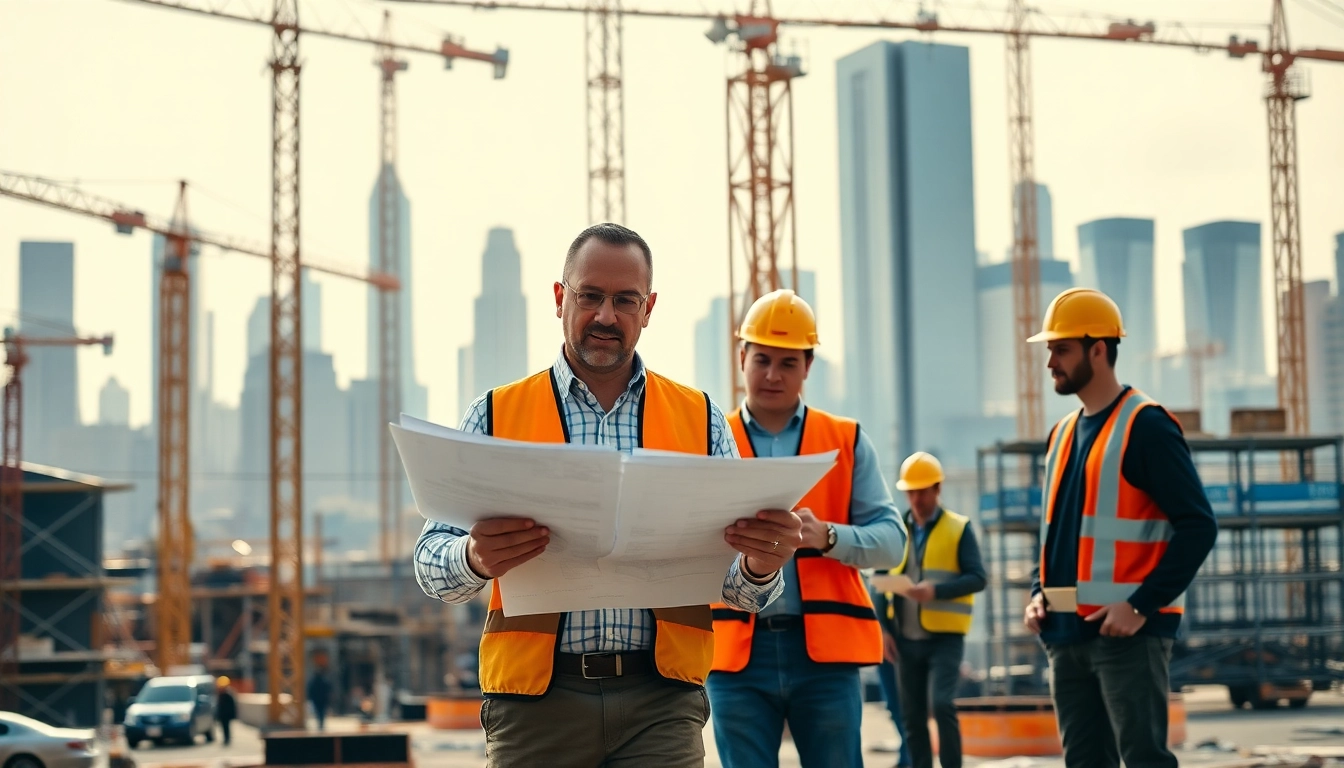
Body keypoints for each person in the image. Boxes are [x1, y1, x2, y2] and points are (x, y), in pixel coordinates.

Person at [413, 223, 803, 767]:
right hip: (535, 708)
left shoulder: (701, 421)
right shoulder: (496, 415)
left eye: (625, 300)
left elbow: (742, 593)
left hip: (661, 705)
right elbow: (431, 568)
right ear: (559, 298)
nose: (605, 316)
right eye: (589, 296)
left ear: (649, 309)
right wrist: (474, 557)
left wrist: (761, 564)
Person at [705, 289, 908, 768]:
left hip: (825, 657)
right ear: (741, 358)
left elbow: (893, 541)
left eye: (788, 363)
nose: (773, 375)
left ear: (808, 367)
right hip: (736, 654)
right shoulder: (711, 439)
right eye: (762, 360)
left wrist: (828, 537)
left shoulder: (846, 440)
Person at [1022, 287, 1218, 768]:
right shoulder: (1062, 433)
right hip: (1065, 635)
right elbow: (1056, 532)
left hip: (1127, 635)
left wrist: (1139, 606)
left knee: (1144, 759)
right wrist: (1036, 593)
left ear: (1098, 350)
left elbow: (1198, 526)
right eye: (1049, 350)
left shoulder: (1146, 426)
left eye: (1061, 349)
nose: (1050, 363)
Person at [885, 451, 986, 768]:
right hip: (903, 638)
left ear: (937, 489)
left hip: (945, 637)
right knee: (912, 716)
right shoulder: (894, 529)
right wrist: (882, 630)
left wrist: (936, 591)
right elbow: (878, 580)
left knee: (941, 704)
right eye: (910, 491)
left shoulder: (959, 528)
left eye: (922, 491)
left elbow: (978, 578)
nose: (915, 498)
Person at [869, 582, 914, 768]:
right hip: (888, 641)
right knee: (895, 705)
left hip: (912, 642)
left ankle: (909, 758)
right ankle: (906, 757)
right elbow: (877, 591)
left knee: (909, 706)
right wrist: (885, 631)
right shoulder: (884, 568)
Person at [215, 676, 237, 746]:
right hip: (223, 715)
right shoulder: (221, 695)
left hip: (226, 715)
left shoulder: (228, 695)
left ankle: (227, 738)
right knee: (224, 727)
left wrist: (232, 715)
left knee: (226, 727)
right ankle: (226, 738)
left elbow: (232, 706)